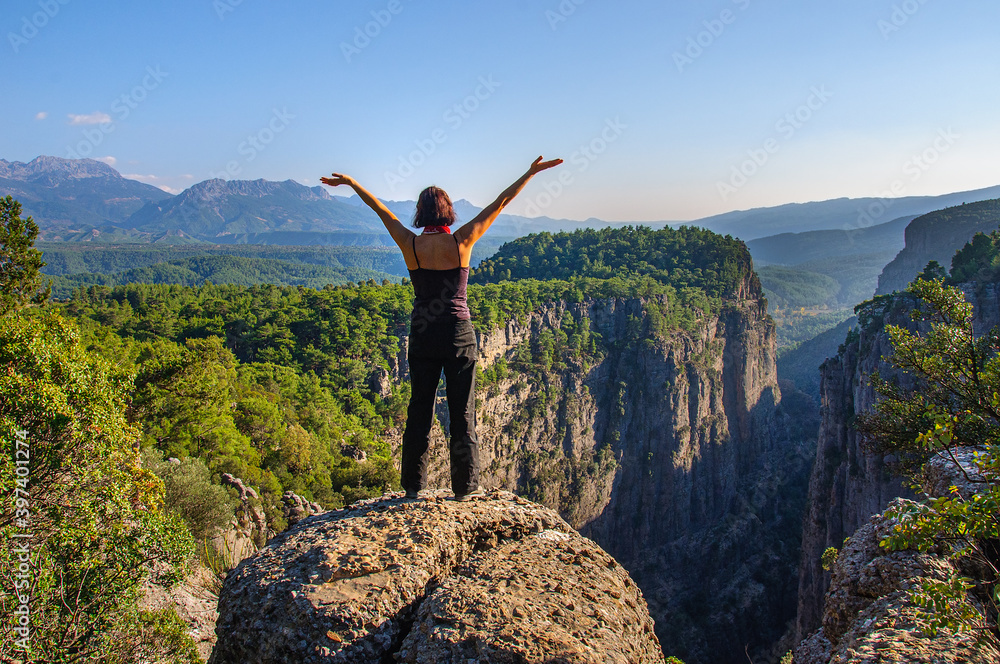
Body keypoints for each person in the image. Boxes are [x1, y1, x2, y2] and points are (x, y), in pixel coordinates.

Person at [321, 156, 563, 500]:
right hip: (458, 334)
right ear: (448, 210)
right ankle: (465, 489)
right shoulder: (462, 241)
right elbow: (501, 202)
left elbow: (381, 211)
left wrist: (352, 183)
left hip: (423, 334)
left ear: (420, 213)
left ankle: (412, 487)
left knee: (419, 408)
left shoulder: (411, 244)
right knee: (462, 412)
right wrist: (530, 173)